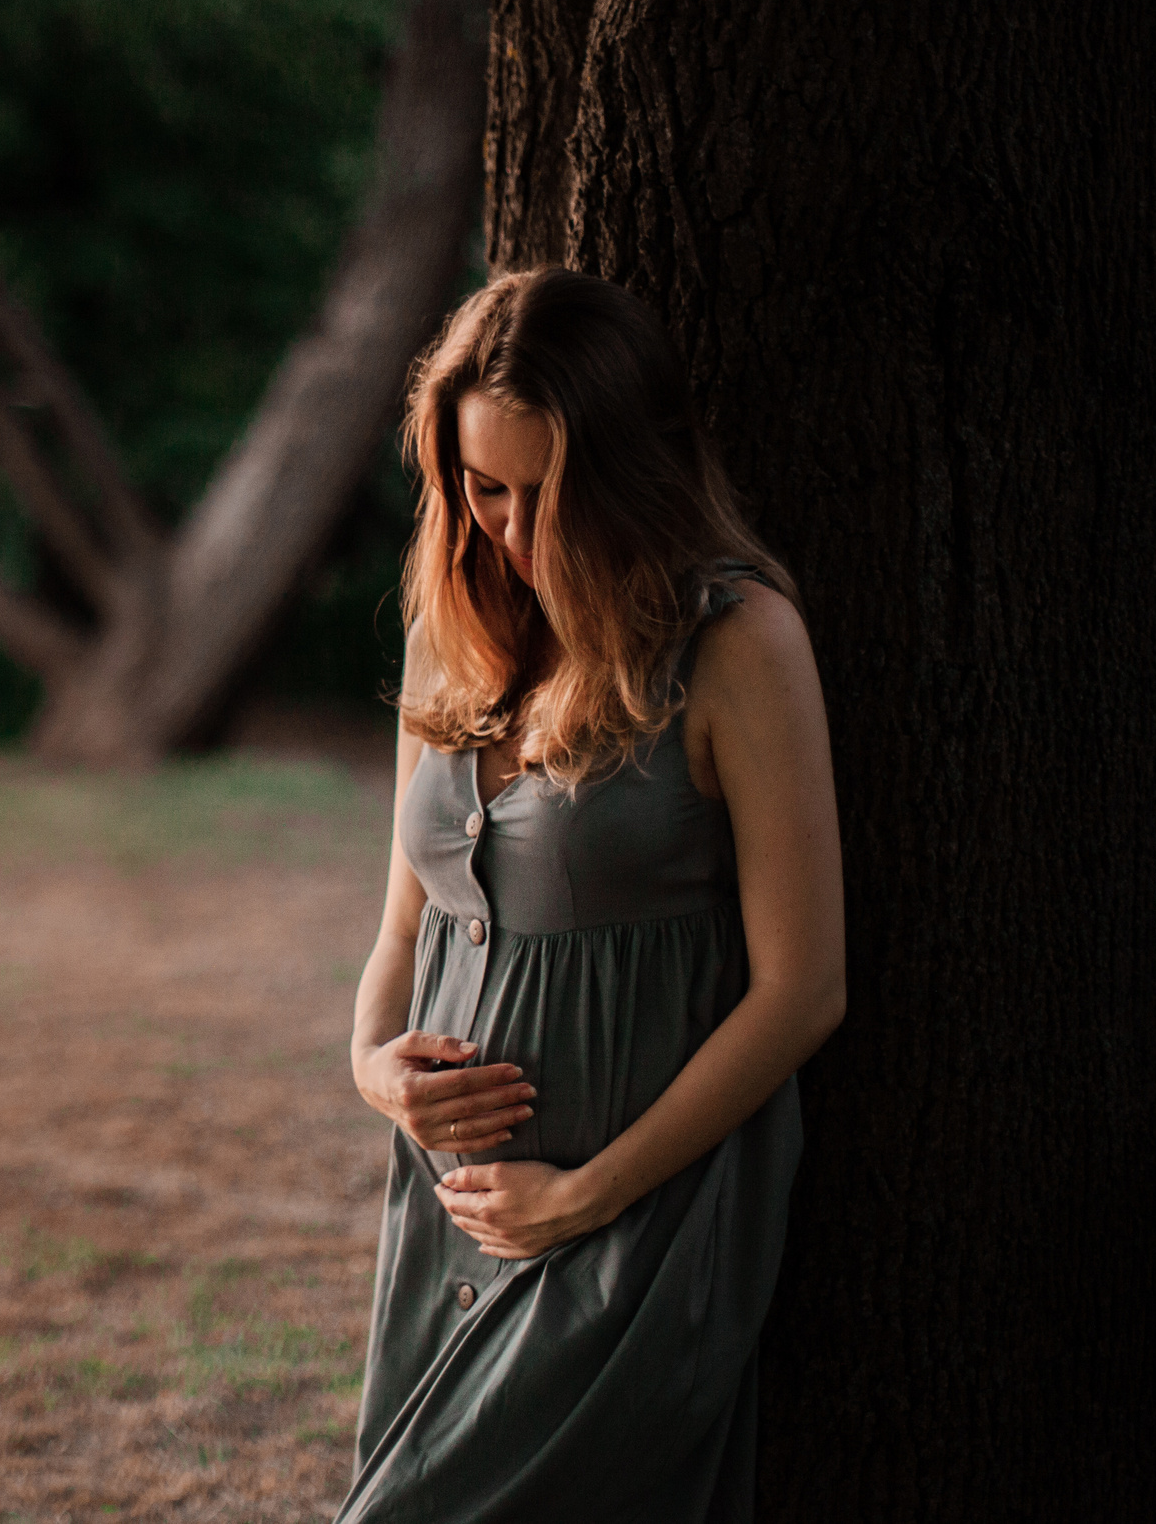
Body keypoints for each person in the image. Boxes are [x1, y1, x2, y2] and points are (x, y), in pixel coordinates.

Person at [336, 267, 846, 1523]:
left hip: (633, 1230)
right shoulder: (452, 631)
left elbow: (802, 990)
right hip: (448, 1225)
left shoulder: (734, 643)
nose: (511, 530)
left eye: (546, 493)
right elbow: (405, 924)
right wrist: (373, 1068)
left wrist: (586, 1194)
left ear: (628, 471)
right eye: (484, 488)